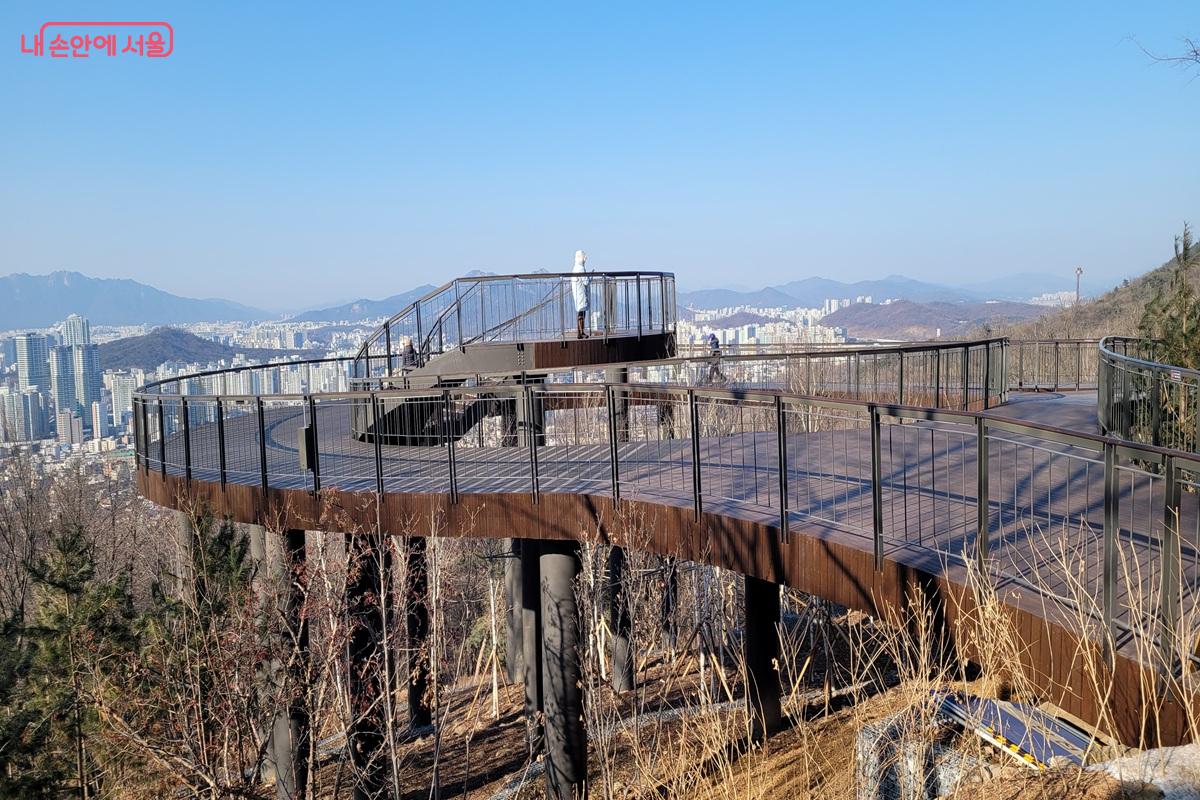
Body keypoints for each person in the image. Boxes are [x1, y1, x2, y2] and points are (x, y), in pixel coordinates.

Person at [571, 249, 590, 339]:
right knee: (582, 313)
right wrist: (590, 277)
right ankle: (581, 332)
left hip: (576, 293)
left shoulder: (574, 268)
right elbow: (586, 282)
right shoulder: (581, 268)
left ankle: (579, 331)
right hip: (581, 293)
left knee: (579, 312)